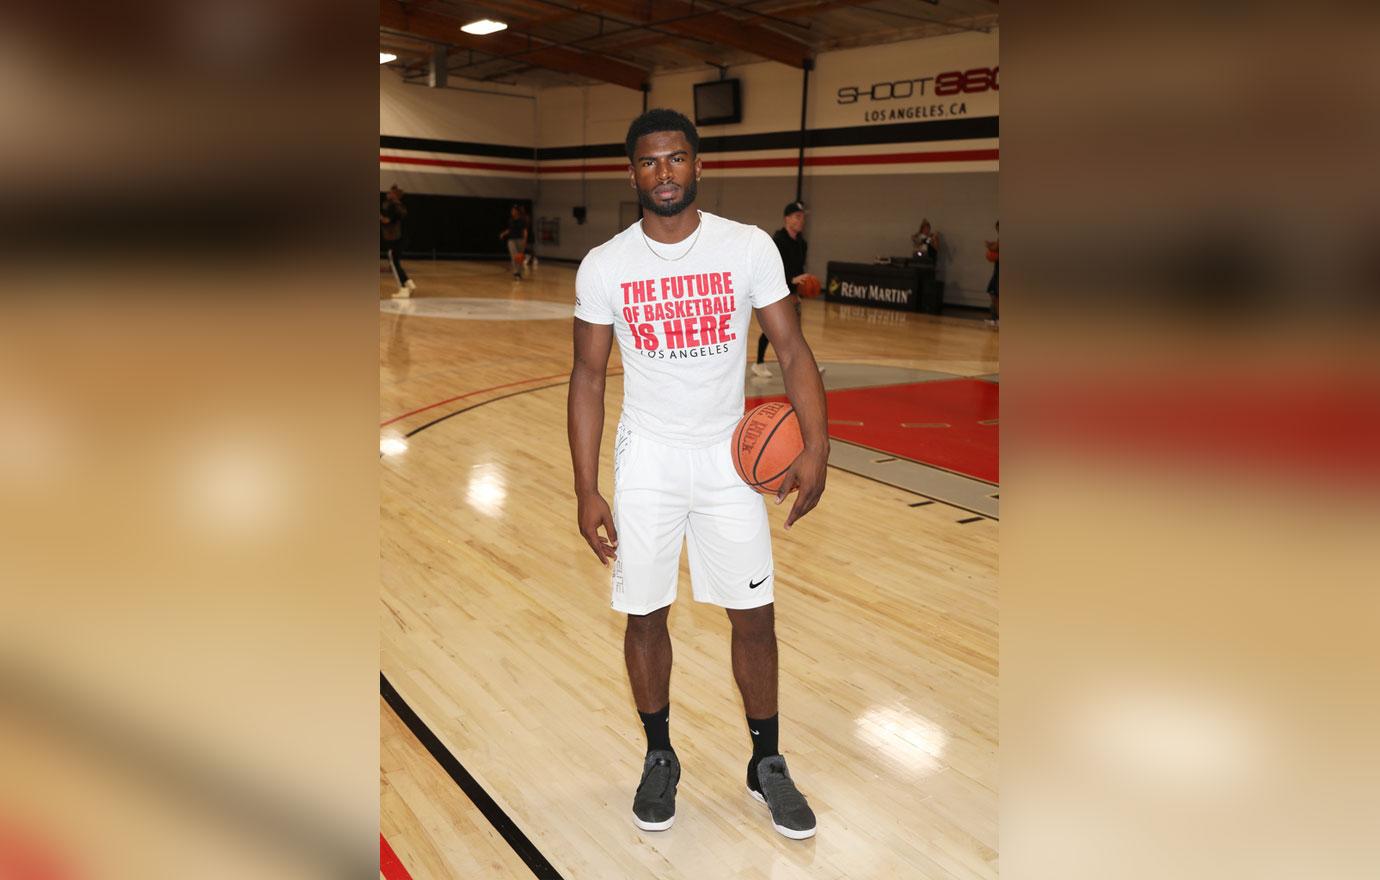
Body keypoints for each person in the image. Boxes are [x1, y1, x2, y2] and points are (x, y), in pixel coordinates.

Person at [567, 108, 828, 841]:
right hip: (647, 456)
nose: (665, 174)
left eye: (676, 159)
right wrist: (587, 487)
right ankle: (659, 755)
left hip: (729, 460)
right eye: (650, 163)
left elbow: (794, 350)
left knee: (755, 615)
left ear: (699, 164)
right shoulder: (606, 264)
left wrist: (817, 444)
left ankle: (766, 764)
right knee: (645, 614)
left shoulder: (746, 249)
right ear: (633, 174)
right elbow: (588, 378)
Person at [751, 201, 813, 379]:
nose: (801, 221)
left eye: (803, 218)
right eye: (797, 217)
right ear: (787, 218)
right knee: (773, 329)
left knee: (796, 333)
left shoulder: (802, 243)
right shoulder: (777, 241)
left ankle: (800, 366)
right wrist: (791, 280)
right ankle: (759, 363)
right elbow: (771, 270)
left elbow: (798, 268)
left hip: (793, 294)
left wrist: (803, 281)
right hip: (777, 292)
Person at [381, 185, 415, 299]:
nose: (388, 194)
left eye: (390, 193)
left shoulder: (394, 207)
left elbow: (387, 221)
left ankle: (403, 289)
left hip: (398, 239)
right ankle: (408, 283)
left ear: (395, 195)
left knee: (393, 263)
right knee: (395, 261)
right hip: (403, 238)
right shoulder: (399, 206)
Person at [499, 204, 528, 280]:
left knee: (520, 257)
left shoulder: (522, 220)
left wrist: (525, 240)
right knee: (514, 256)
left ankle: (519, 273)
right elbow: (510, 229)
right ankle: (516, 273)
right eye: (512, 211)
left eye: (514, 211)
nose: (512, 212)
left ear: (517, 212)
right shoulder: (510, 220)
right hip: (511, 240)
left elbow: (525, 231)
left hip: (520, 240)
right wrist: (503, 233)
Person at [984, 220, 999, 327]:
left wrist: (989, 245)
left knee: (996, 295)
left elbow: (995, 247)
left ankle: (998, 319)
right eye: (997, 228)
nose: (998, 230)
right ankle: (995, 319)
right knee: (993, 293)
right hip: (997, 270)